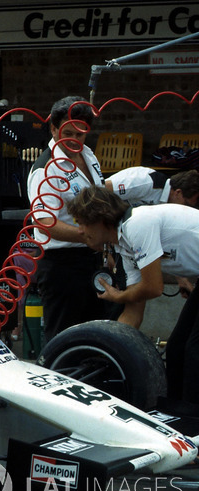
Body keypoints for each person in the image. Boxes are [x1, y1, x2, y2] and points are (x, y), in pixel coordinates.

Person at [67, 185, 199, 402]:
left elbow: (153, 287)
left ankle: (193, 417)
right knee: (176, 347)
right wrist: (107, 352)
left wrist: (118, 297)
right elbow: (133, 310)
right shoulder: (123, 245)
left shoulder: (136, 225)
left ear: (100, 219)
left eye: (81, 223)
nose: (80, 231)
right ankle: (176, 408)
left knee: (194, 349)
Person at [26, 95, 105, 342]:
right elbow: (44, 222)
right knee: (62, 339)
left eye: (80, 135)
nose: (73, 141)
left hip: (92, 260)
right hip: (62, 265)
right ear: (52, 128)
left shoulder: (89, 155)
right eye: (67, 133)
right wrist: (87, 236)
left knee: (93, 336)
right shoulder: (44, 169)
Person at [104, 167, 199, 207]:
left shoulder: (167, 201)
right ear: (178, 193)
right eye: (186, 204)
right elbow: (100, 190)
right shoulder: (145, 182)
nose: (186, 210)